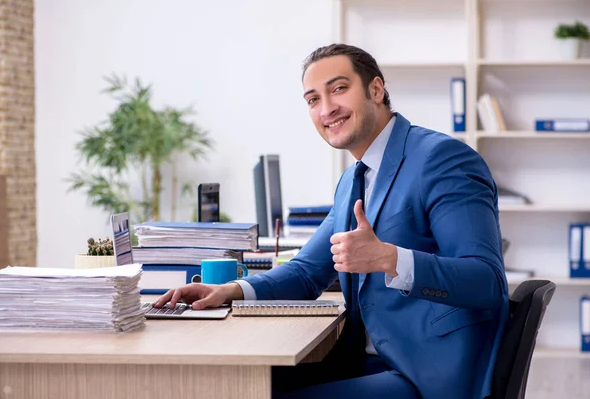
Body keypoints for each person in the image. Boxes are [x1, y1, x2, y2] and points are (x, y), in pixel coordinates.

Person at [154, 43, 509, 399]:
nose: (327, 109)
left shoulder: (441, 159)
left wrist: (389, 258)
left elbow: (486, 282)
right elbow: (307, 271)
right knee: (232, 387)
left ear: (375, 89)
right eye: (312, 99)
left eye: (339, 88)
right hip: (371, 361)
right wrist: (229, 292)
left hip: (428, 375)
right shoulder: (353, 179)